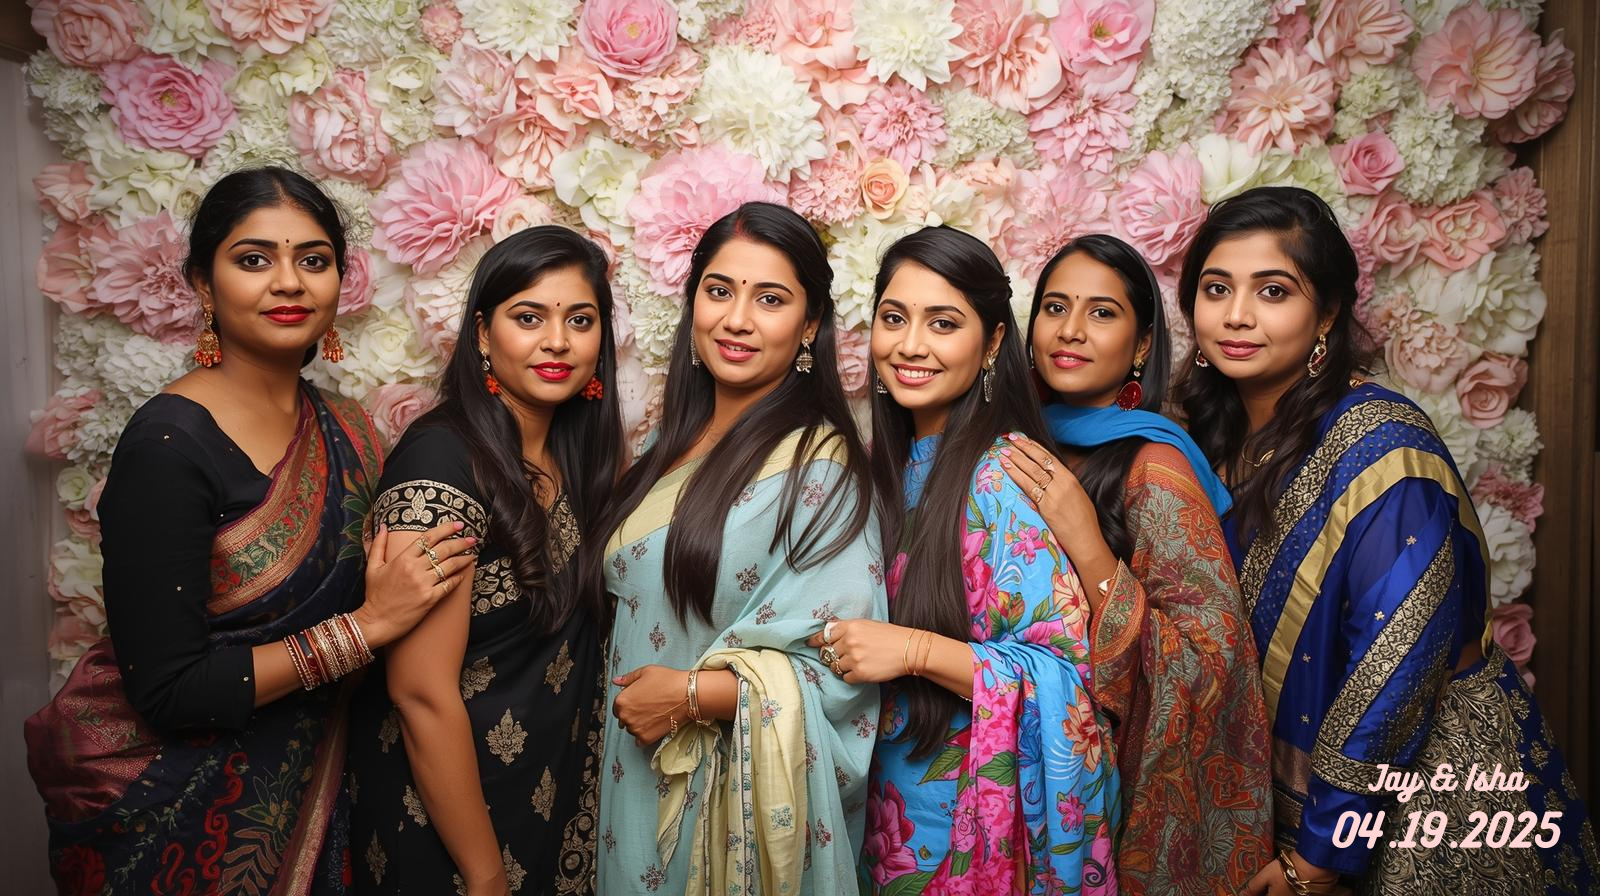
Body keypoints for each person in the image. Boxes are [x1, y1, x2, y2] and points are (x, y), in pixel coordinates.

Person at [24, 167, 473, 895]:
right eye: (254, 259)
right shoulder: (168, 445)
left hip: (317, 789)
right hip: (171, 807)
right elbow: (168, 690)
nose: (289, 282)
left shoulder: (348, 428)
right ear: (204, 285)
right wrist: (367, 628)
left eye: (314, 260)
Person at [1176, 186, 1598, 895]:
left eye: (1273, 291)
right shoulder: (1219, 435)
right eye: (1216, 289)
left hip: (1425, 804)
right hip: (1281, 796)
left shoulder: (1384, 448)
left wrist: (1322, 853)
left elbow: (1395, 659)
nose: (1236, 315)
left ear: (1327, 313)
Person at [594, 202, 885, 895]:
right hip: (627, 784)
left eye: (771, 299)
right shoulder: (664, 447)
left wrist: (691, 696)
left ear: (810, 325)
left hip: (723, 812)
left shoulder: (821, 470)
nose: (737, 319)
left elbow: (839, 668)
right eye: (719, 290)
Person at [825, 226, 1118, 895]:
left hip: (965, 827)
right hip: (873, 812)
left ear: (991, 343)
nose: (910, 345)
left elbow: (1069, 680)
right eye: (894, 318)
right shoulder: (879, 468)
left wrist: (915, 650)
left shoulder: (1002, 476)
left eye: (943, 323)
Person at [347, 226, 623, 895]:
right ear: (481, 334)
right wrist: (485, 873)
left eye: (579, 320)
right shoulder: (441, 462)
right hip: (449, 824)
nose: (557, 341)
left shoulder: (575, 451)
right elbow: (419, 691)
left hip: (547, 795)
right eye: (528, 318)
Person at [994, 234, 1273, 895]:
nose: (1070, 330)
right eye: (1055, 307)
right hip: (1012, 773)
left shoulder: (1156, 466)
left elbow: (1213, 669)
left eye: (1102, 312)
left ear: (1142, 344)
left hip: (1115, 799)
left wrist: (1087, 542)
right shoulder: (1017, 442)